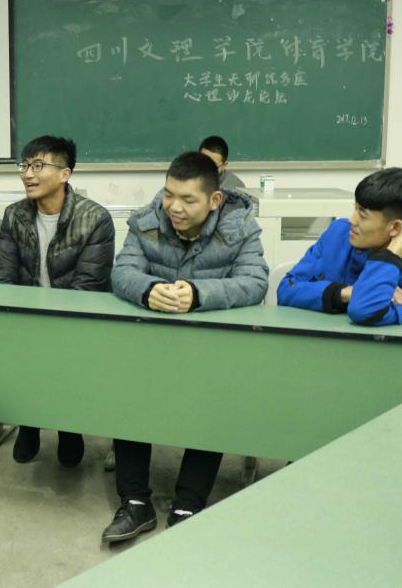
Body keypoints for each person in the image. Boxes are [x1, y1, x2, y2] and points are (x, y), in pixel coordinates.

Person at [102, 151, 268, 543]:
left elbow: (255, 282)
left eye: (187, 199)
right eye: (169, 194)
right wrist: (147, 290)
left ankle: (188, 505)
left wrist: (198, 294)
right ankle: (135, 503)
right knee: (129, 393)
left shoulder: (241, 227)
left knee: (214, 400)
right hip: (151, 343)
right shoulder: (146, 222)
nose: (174, 207)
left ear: (214, 200)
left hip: (211, 348)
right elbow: (122, 272)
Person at [0, 135, 114, 467]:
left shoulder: (95, 218)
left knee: (62, 355)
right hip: (26, 318)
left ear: (64, 174)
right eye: (25, 165)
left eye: (38, 166)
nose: (28, 174)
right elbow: (2, 274)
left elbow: (88, 287)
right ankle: (28, 423)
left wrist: (48, 323)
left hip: (73, 319)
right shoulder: (14, 215)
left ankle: (68, 426)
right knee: (18, 349)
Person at [277, 167, 402, 325]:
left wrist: (394, 252)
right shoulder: (339, 233)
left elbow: (364, 310)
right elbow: (286, 290)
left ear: (395, 227)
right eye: (355, 209)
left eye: (362, 215)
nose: (352, 220)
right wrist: (345, 292)